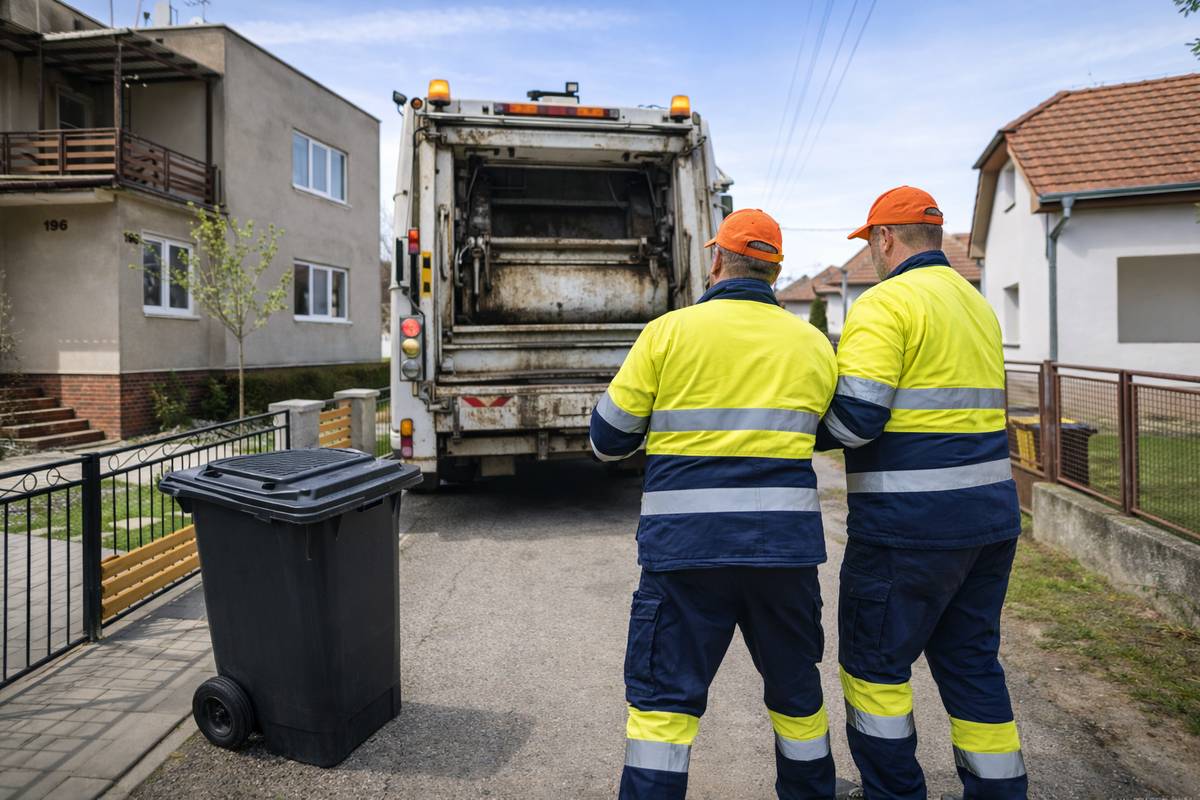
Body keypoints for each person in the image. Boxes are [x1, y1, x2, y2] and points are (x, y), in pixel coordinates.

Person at [590, 209, 841, 799]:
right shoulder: (812, 343)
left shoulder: (668, 333)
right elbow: (831, 430)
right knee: (797, 699)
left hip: (686, 555)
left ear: (717, 260)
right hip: (784, 555)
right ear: (776, 270)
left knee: (664, 709)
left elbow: (607, 441)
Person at [817, 186, 1026, 800]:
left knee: (875, 673)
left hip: (908, 527)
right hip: (990, 521)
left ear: (885, 239)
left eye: (871, 244)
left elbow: (856, 418)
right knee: (971, 665)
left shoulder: (887, 304)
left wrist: (797, 430)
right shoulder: (975, 303)